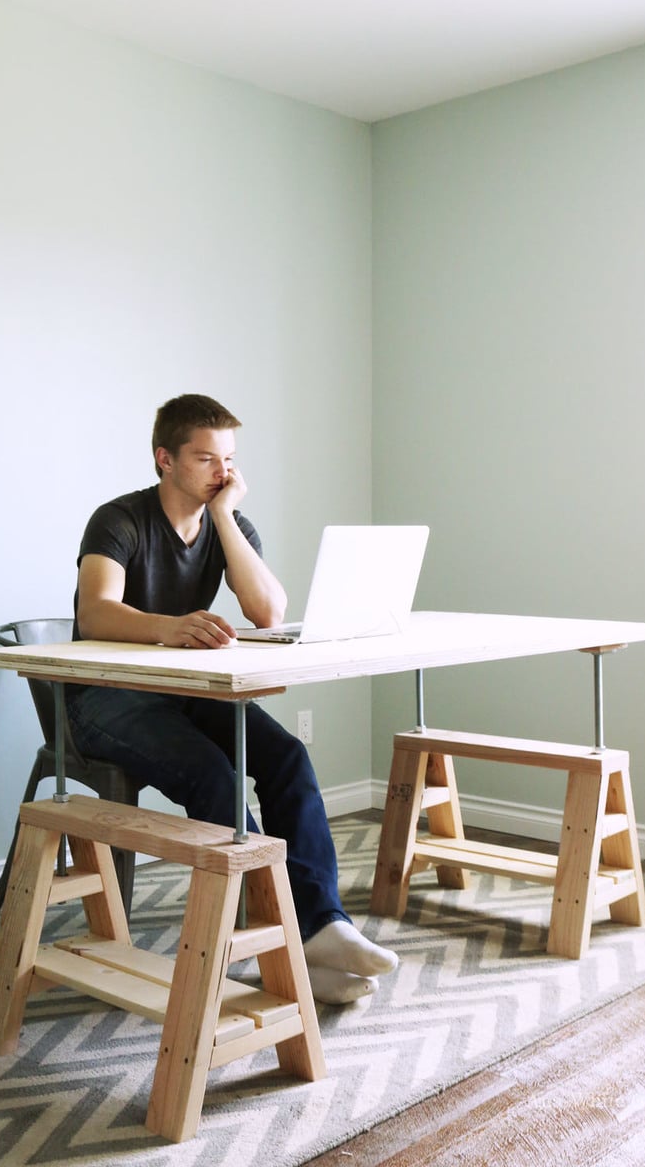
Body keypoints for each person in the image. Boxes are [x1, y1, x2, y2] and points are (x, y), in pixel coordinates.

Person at [64, 393, 398, 1004]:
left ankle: (321, 925)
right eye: (205, 459)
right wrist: (167, 626)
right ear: (165, 459)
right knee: (215, 775)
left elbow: (268, 612)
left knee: (286, 756)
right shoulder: (118, 519)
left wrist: (223, 518)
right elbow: (95, 613)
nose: (223, 473)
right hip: (105, 700)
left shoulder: (230, 524)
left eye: (230, 460)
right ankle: (278, 937)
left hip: (182, 690)